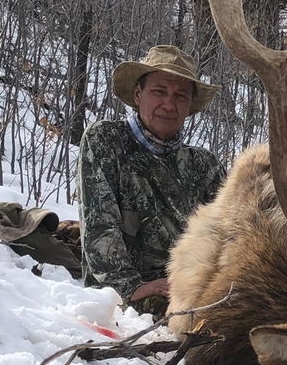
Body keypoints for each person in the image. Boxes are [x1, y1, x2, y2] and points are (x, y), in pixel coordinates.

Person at [77, 45, 226, 319]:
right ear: (138, 95)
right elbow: (100, 226)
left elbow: (228, 238)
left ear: (189, 107)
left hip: (193, 290)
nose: (169, 104)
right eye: (159, 91)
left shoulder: (205, 165)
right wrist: (130, 286)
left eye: (180, 96)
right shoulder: (106, 140)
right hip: (132, 293)